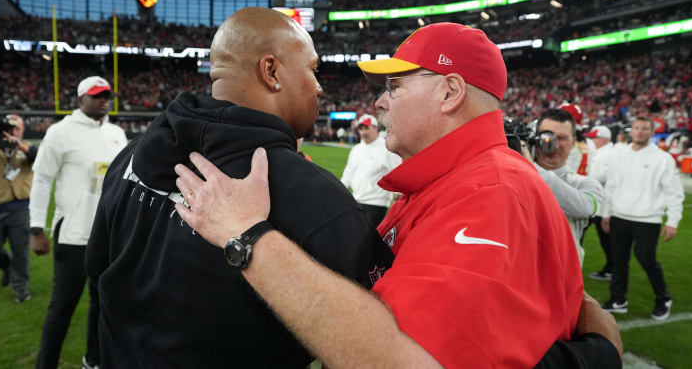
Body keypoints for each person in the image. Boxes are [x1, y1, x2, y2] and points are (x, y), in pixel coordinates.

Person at [175, 21, 623, 368]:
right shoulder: (454, 180)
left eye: (395, 86)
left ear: (450, 92)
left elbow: (401, 359)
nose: (381, 102)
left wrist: (248, 236)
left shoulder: (490, 192)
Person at [85, 7, 394, 368]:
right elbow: (370, 350)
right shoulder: (321, 201)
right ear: (271, 71)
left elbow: (98, 272)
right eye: (313, 70)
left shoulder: (130, 156)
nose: (320, 87)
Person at [29, 76, 127, 369]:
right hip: (73, 235)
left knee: (103, 305)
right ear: (79, 99)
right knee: (62, 307)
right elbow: (42, 180)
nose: (103, 100)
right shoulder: (60, 132)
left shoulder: (117, 134)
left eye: (106, 95)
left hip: (108, 237)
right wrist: (36, 228)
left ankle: (93, 361)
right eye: (96, 95)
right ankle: (45, 364)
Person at [600, 116, 684, 321]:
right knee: (619, 261)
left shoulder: (662, 159)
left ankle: (663, 298)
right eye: (636, 128)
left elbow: (674, 192)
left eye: (644, 128)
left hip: (648, 219)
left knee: (646, 259)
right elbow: (611, 187)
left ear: (651, 132)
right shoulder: (620, 155)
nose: (639, 132)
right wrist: (606, 213)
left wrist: (672, 221)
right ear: (631, 131)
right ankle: (618, 299)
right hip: (619, 216)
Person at [525, 109, 603, 266]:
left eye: (561, 138)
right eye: (547, 136)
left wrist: (528, 165)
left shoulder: (585, 184)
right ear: (534, 139)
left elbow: (585, 208)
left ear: (574, 142)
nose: (553, 143)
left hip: (562, 279)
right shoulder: (517, 175)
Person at [0, 114, 39, 303]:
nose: (12, 131)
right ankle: (6, 267)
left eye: (17, 128)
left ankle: (21, 289)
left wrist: (19, 144)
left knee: (20, 251)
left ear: (21, 130)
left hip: (21, 205)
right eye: (9, 128)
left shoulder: (25, 147)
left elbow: (39, 159)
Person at [341, 114, 402, 227]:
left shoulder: (386, 148)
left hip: (376, 203)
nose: (363, 132)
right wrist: (339, 190)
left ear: (376, 128)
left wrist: (397, 195)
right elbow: (348, 173)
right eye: (361, 129)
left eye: (367, 128)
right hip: (356, 200)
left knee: (365, 239)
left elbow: (398, 171)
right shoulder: (356, 149)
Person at [584, 126, 617, 281]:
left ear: (603, 138)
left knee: (607, 239)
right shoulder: (600, 153)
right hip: (595, 202)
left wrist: (586, 179)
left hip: (603, 204)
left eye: (594, 137)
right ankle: (611, 267)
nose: (591, 140)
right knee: (602, 238)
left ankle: (612, 268)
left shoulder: (611, 154)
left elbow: (605, 177)